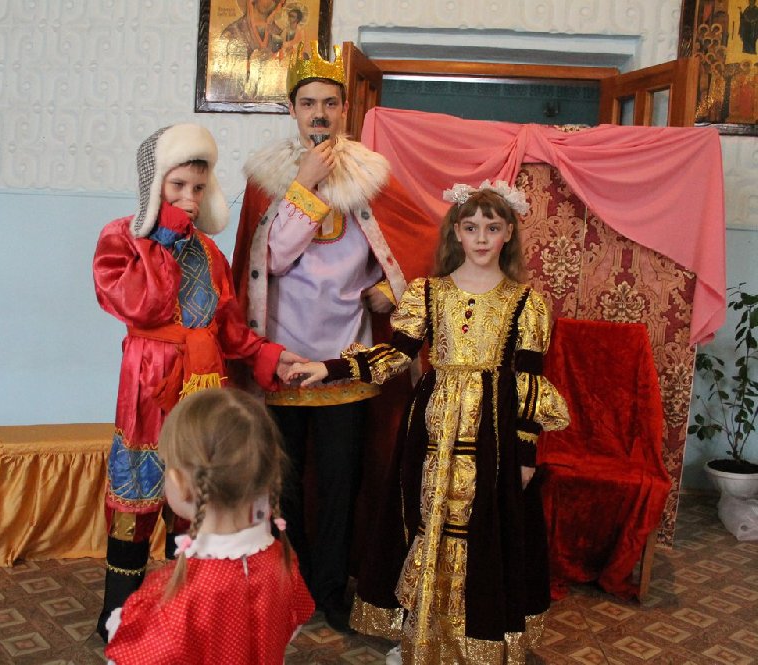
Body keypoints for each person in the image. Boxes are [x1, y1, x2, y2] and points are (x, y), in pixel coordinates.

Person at [286, 181, 571, 664]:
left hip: (492, 434)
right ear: (456, 232)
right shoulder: (429, 293)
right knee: (425, 520)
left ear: (508, 234)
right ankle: (422, 636)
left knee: (480, 527)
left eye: (493, 228)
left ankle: (475, 640)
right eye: (471, 227)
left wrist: (525, 454)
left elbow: (528, 382)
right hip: (431, 429)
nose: (481, 238)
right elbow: (395, 354)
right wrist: (329, 368)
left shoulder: (526, 303)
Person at [230, 42, 438, 632]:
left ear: (345, 109)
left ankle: (328, 589)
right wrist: (304, 184)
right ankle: (287, 587)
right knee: (284, 486)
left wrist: (389, 288)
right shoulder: (268, 176)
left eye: (329, 103)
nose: (318, 114)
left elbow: (416, 241)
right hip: (285, 359)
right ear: (292, 110)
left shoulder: (370, 175)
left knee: (343, 485)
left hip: (346, 362)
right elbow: (269, 259)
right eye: (307, 103)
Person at [92, 123, 302, 641]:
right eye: (177, 185)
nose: (189, 198)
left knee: (195, 499)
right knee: (137, 499)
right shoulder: (122, 239)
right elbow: (142, 305)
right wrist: (161, 240)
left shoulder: (209, 252)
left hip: (204, 391)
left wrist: (271, 356)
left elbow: (229, 329)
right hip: (148, 389)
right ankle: (118, 616)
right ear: (154, 183)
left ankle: (181, 614)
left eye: (199, 188)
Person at [104, 387, 316, 664]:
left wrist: (121, 627)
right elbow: (292, 625)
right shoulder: (283, 560)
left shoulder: (172, 595)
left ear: (180, 483)